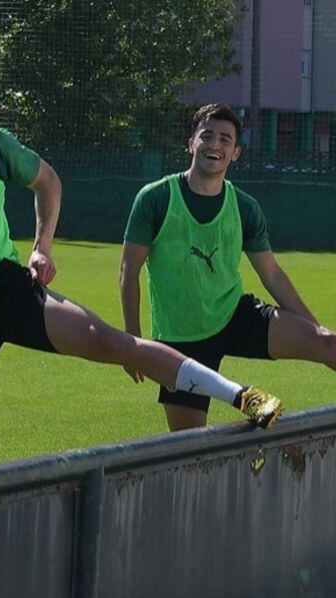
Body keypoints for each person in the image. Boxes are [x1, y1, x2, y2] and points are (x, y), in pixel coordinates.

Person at [0, 48, 281, 474]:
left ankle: (242, 396)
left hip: (1, 287)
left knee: (109, 342)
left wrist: (42, 247)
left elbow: (48, 182)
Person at [120, 103, 335, 431]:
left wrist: (314, 335)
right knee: (189, 449)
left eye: (224, 139)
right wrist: (133, 343)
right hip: (179, 338)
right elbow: (128, 272)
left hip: (235, 315)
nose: (214, 145)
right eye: (207, 136)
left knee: (329, 343)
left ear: (236, 152)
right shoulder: (155, 199)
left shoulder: (245, 208)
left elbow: (272, 274)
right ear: (191, 143)